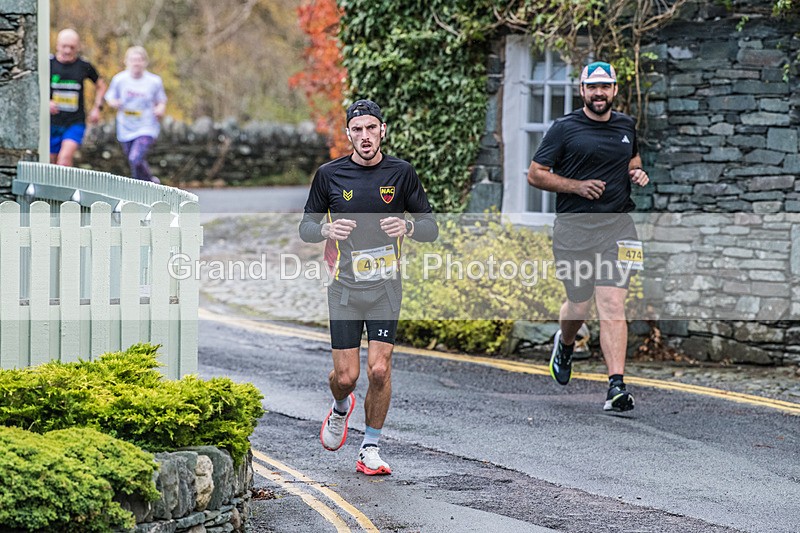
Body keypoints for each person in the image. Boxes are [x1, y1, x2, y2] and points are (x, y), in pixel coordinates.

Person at [299, 99, 438, 475]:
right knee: (347, 377)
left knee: (379, 370)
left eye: (371, 128)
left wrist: (407, 226)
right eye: (357, 129)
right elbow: (306, 228)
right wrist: (326, 229)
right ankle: (341, 408)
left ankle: (370, 448)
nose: (365, 136)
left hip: (385, 288)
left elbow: (430, 226)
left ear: (383, 131)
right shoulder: (329, 175)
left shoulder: (402, 173)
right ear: (348, 134)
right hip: (344, 288)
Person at [527, 61, 649, 412]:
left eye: (605, 87)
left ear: (614, 90)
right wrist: (577, 187)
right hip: (574, 228)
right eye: (592, 88)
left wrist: (636, 172)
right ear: (582, 91)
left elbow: (632, 158)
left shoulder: (626, 125)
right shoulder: (564, 128)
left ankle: (616, 387)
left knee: (612, 302)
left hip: (618, 227)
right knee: (578, 303)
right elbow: (536, 174)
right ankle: (565, 343)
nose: (599, 93)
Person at [105, 46, 167, 184]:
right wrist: (114, 102)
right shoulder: (119, 79)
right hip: (126, 126)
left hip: (146, 126)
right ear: (126, 61)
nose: (136, 63)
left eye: (140, 60)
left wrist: (160, 109)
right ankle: (147, 184)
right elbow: (109, 97)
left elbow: (161, 100)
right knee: (133, 160)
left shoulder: (154, 81)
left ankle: (145, 184)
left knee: (135, 157)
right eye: (133, 60)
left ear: (145, 62)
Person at [49, 28, 107, 166]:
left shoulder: (83, 66)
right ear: (57, 45)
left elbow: (101, 85)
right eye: (64, 46)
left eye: (72, 47)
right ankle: (55, 188)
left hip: (75, 122)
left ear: (78, 47)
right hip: (51, 122)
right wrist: (46, 102)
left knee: (64, 159)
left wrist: (97, 108)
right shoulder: (48, 64)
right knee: (51, 161)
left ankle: (65, 188)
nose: (68, 51)